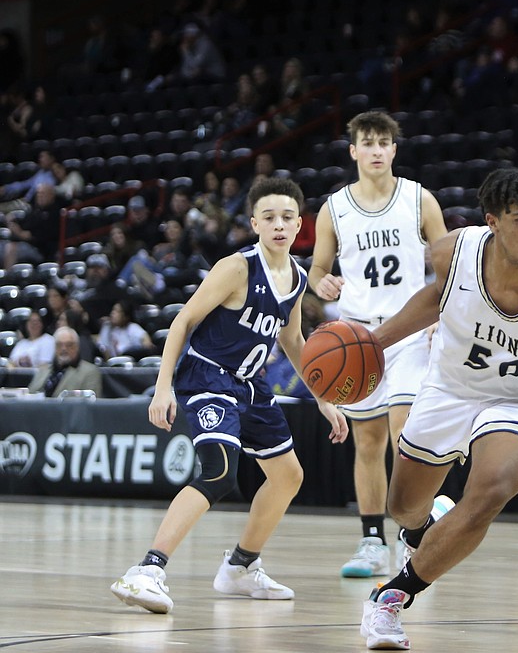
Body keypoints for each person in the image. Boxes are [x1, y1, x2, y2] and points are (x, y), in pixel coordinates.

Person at [358, 167, 518, 650]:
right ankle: (426, 528)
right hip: (450, 387)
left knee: (489, 492)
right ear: (493, 221)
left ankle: (392, 596)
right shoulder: (452, 252)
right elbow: (436, 298)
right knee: (403, 508)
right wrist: (375, 343)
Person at [109, 178, 348, 615]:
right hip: (207, 377)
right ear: (254, 222)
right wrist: (163, 387)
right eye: (270, 217)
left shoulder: (296, 277)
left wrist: (323, 398)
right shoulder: (237, 267)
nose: (279, 225)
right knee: (220, 473)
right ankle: (147, 569)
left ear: (300, 225)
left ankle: (240, 566)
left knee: (289, 476)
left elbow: (293, 341)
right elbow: (182, 322)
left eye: (288, 217)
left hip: (250, 384)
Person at [308, 111, 448, 579]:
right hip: (357, 337)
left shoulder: (418, 198)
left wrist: (443, 317)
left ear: (393, 150)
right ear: (353, 151)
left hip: (408, 331)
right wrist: (322, 284)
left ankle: (415, 528)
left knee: (404, 431)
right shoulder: (335, 208)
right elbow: (317, 270)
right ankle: (372, 540)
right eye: (366, 143)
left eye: (383, 143)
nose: (374, 150)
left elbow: (450, 261)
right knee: (367, 442)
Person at [28, 327, 103, 397]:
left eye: (69, 345)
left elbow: (90, 404)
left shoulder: (90, 371)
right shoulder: (43, 369)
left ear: (77, 347)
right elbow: (30, 393)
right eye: (59, 345)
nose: (64, 349)